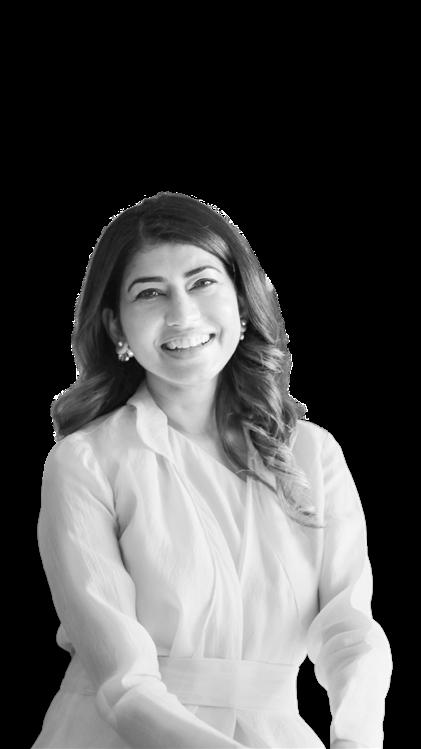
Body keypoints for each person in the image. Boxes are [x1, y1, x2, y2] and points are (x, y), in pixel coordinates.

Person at [32, 192, 392, 749]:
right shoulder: (85, 462)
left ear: (242, 304)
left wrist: (356, 740)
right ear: (116, 327)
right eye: (150, 292)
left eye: (201, 282)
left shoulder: (313, 454)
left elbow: (350, 631)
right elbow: (123, 686)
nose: (182, 314)